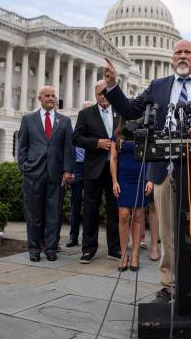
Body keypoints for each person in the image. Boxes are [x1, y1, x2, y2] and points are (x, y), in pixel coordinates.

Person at [102, 38, 191, 303]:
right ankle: (168, 284)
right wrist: (113, 85)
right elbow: (130, 109)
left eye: (188, 53)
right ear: (172, 59)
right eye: (178, 52)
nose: (182, 56)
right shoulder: (158, 86)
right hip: (164, 170)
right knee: (167, 233)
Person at [17, 86, 75, 262]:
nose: (51, 98)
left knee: (54, 214)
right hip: (33, 174)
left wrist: (68, 170)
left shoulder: (64, 121)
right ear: (40, 98)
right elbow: (22, 147)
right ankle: (34, 249)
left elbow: (68, 149)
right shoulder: (28, 120)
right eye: (47, 96)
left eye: (53, 96)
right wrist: (25, 166)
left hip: (55, 175)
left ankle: (50, 248)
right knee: (34, 214)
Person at [72, 81, 121, 263]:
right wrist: (96, 143)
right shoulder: (86, 114)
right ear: (95, 94)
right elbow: (75, 137)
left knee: (114, 210)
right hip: (93, 168)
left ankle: (114, 249)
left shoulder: (120, 112)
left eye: (106, 92)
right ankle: (88, 249)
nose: (103, 95)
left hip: (115, 170)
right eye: (100, 93)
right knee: (90, 211)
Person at [111, 119, 149, 271]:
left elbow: (152, 157)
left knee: (138, 216)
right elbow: (113, 159)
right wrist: (114, 181)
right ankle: (123, 255)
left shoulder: (145, 133)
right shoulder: (118, 134)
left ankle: (135, 255)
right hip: (124, 180)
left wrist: (150, 180)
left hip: (141, 177)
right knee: (124, 215)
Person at [66, 100, 93, 248]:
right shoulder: (75, 130)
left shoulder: (97, 129)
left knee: (90, 206)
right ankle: (73, 236)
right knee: (75, 205)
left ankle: (87, 238)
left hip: (91, 168)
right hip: (77, 167)